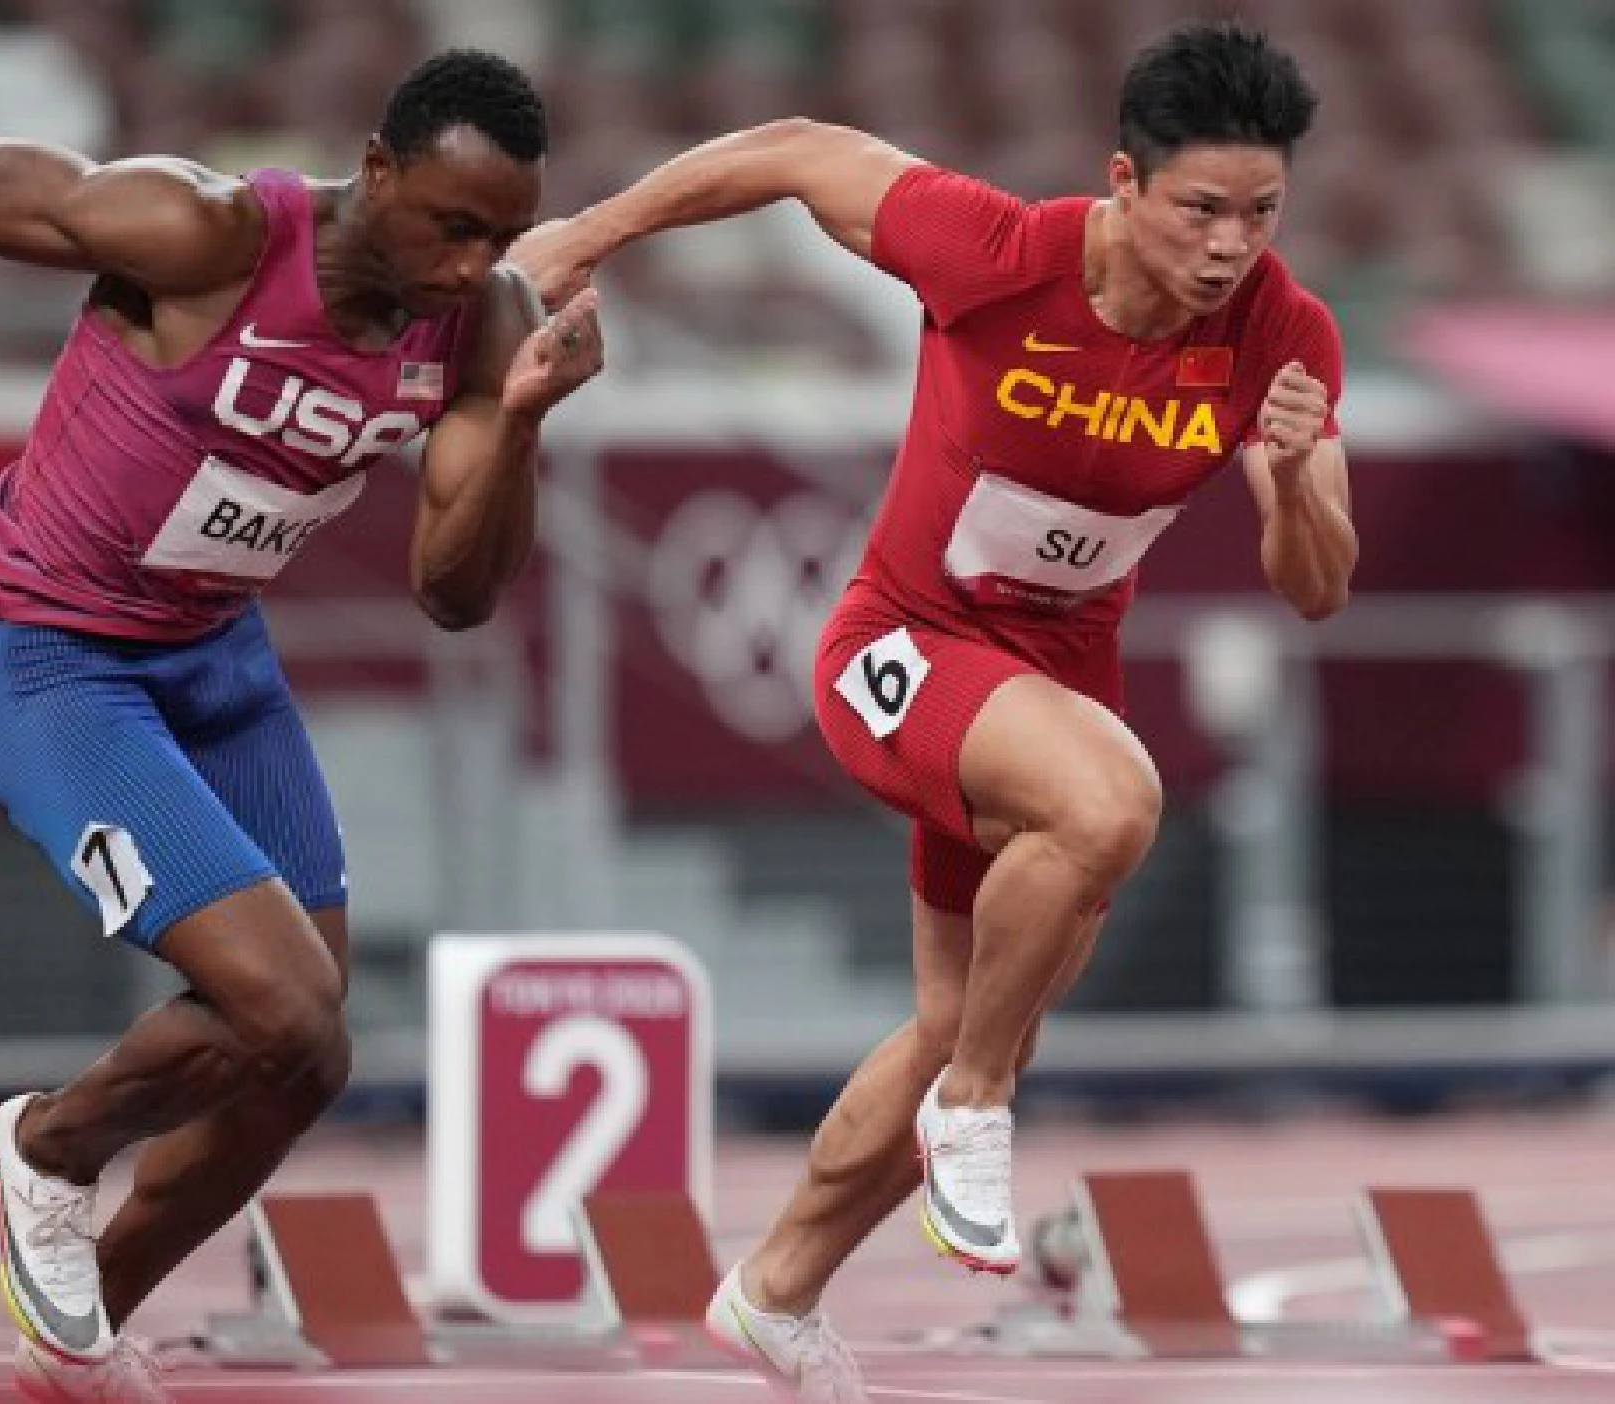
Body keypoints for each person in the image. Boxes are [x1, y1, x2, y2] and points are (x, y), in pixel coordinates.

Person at [0, 50, 601, 1404]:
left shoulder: (480, 327)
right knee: (279, 999)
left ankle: (79, 1332)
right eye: (453, 225)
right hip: (46, 651)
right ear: (378, 166)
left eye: (504, 235)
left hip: (212, 661)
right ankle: (48, 1151)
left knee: (307, 1052)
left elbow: (455, 597)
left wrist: (518, 418)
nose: (475, 265)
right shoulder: (206, 234)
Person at [511, 19, 1352, 1402]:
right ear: (1124, 183)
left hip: (1054, 687)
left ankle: (775, 1292)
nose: (1228, 247)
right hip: (903, 645)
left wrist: (1296, 478)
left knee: (963, 1012)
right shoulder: (997, 251)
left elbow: (1315, 590)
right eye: (1200, 209)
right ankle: (976, 1106)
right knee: (1111, 809)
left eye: (1261, 214)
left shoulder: (1282, 331)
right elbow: (792, 151)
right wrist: (590, 234)